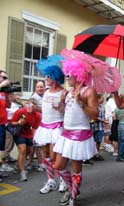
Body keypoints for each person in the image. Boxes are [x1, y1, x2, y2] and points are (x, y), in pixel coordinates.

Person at [53, 55, 98, 206]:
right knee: (58, 166)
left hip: (80, 134)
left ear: (77, 75)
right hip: (66, 134)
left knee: (76, 167)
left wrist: (80, 102)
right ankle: (73, 188)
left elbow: (94, 115)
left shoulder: (88, 91)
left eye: (68, 75)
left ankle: (73, 195)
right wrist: (60, 103)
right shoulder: (67, 92)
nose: (66, 79)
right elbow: (63, 111)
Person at [34, 55, 68, 194]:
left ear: (55, 77)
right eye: (46, 76)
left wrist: (60, 106)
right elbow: (44, 109)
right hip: (45, 126)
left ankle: (63, 180)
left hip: (56, 127)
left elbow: (66, 111)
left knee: (55, 156)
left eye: (48, 76)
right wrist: (34, 107)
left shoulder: (64, 92)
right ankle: (50, 180)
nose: (46, 79)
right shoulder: (47, 92)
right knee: (46, 155)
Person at [10, 99, 41, 181]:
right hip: (19, 133)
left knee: (29, 151)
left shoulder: (37, 115)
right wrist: (19, 123)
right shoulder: (20, 112)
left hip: (29, 134)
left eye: (32, 105)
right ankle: (22, 173)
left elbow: (35, 128)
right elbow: (12, 123)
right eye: (28, 104)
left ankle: (18, 166)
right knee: (22, 150)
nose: (30, 106)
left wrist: (35, 138)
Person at [27, 81, 45, 172]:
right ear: (35, 88)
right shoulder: (33, 98)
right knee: (35, 145)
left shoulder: (45, 97)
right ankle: (34, 163)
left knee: (37, 145)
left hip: (42, 124)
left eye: (41, 87)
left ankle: (35, 162)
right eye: (38, 87)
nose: (40, 88)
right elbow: (29, 111)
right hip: (34, 125)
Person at [0, 70, 12, 182]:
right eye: (3, 77)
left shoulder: (3, 93)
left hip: (2, 123)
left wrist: (9, 95)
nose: (5, 80)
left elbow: (8, 105)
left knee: (0, 149)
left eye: (6, 78)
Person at [90, 94, 105, 161]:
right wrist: (103, 121)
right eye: (102, 98)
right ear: (98, 99)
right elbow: (94, 116)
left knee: (98, 141)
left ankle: (96, 154)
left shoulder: (102, 106)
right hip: (94, 126)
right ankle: (93, 154)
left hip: (100, 126)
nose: (103, 99)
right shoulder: (94, 106)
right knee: (93, 141)